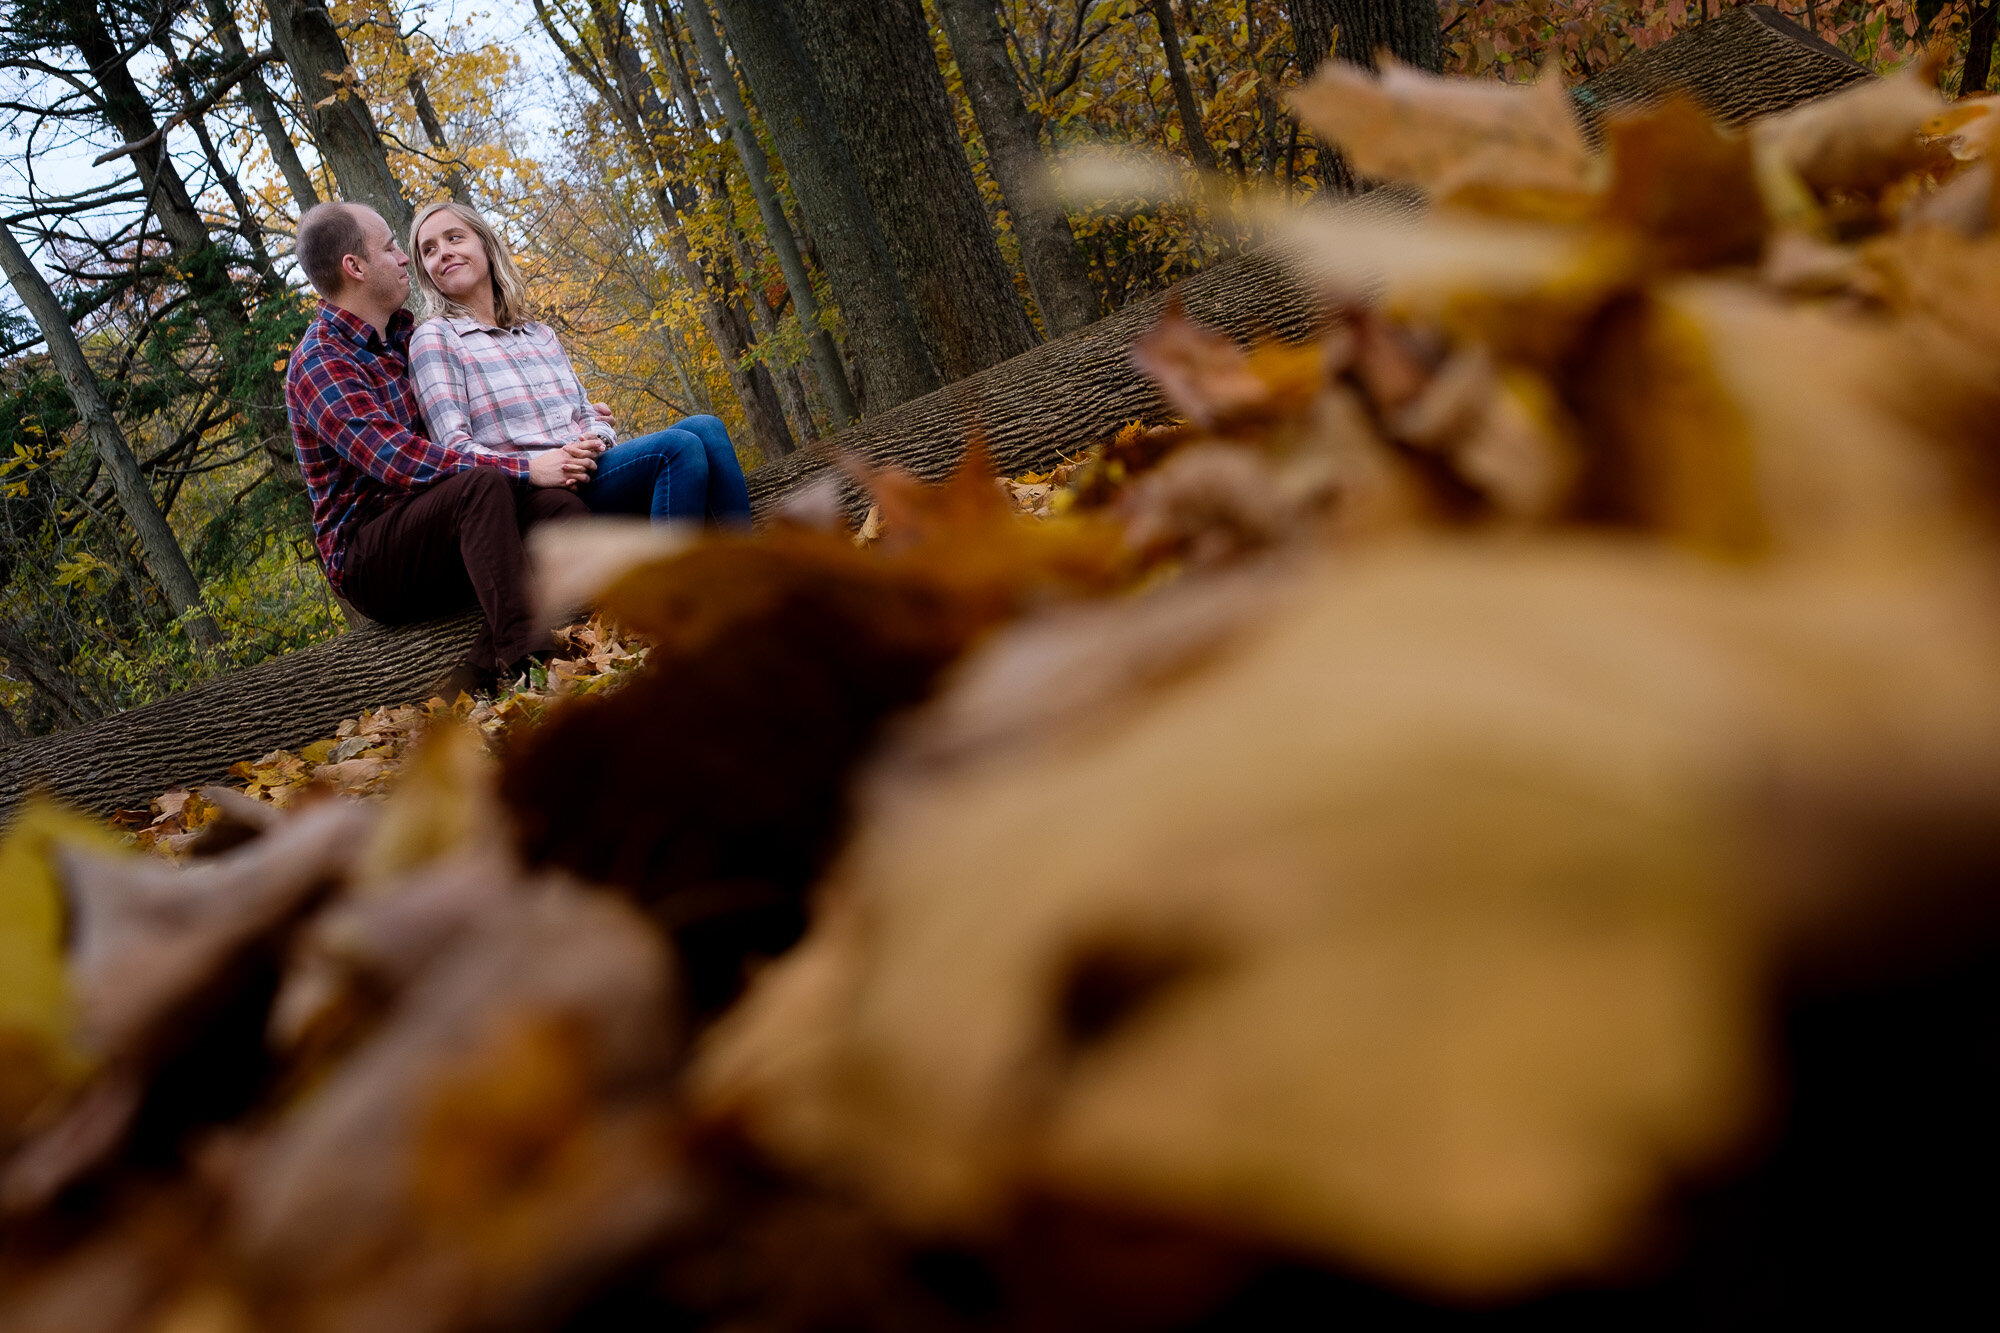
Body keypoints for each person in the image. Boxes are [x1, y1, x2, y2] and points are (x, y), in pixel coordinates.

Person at [284, 201, 599, 697]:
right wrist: (526, 467)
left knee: (562, 508)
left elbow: (475, 408)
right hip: (371, 557)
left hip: (446, 524)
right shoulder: (320, 360)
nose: (405, 257)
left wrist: (563, 415)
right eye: (391, 247)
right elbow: (399, 459)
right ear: (356, 267)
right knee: (480, 487)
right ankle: (532, 671)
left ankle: (474, 674)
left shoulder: (407, 335)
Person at [403, 200, 752, 526]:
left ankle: (752, 572)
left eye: (454, 238)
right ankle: (668, 589)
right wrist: (533, 467)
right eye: (429, 250)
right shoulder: (435, 338)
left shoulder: (539, 334)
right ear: (426, 272)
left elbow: (588, 414)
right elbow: (453, 450)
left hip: (591, 470)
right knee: (678, 448)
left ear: (485, 246)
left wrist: (595, 441)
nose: (443, 253)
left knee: (706, 427)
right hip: (534, 494)